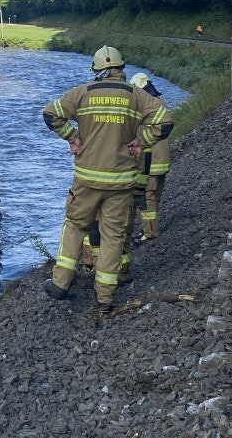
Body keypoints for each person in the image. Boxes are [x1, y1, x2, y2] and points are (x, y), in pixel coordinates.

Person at [42, 46, 173, 314]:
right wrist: (143, 141)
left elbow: (50, 114)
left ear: (97, 71)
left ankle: (60, 283)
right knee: (113, 236)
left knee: (75, 226)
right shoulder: (137, 96)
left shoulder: (82, 93)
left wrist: (72, 137)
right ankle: (104, 298)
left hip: (86, 179)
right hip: (121, 182)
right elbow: (165, 120)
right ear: (121, 69)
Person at [129, 73, 170, 242]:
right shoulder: (160, 104)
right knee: (155, 196)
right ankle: (152, 228)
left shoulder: (146, 108)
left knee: (147, 196)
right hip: (162, 160)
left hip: (150, 160)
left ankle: (150, 232)